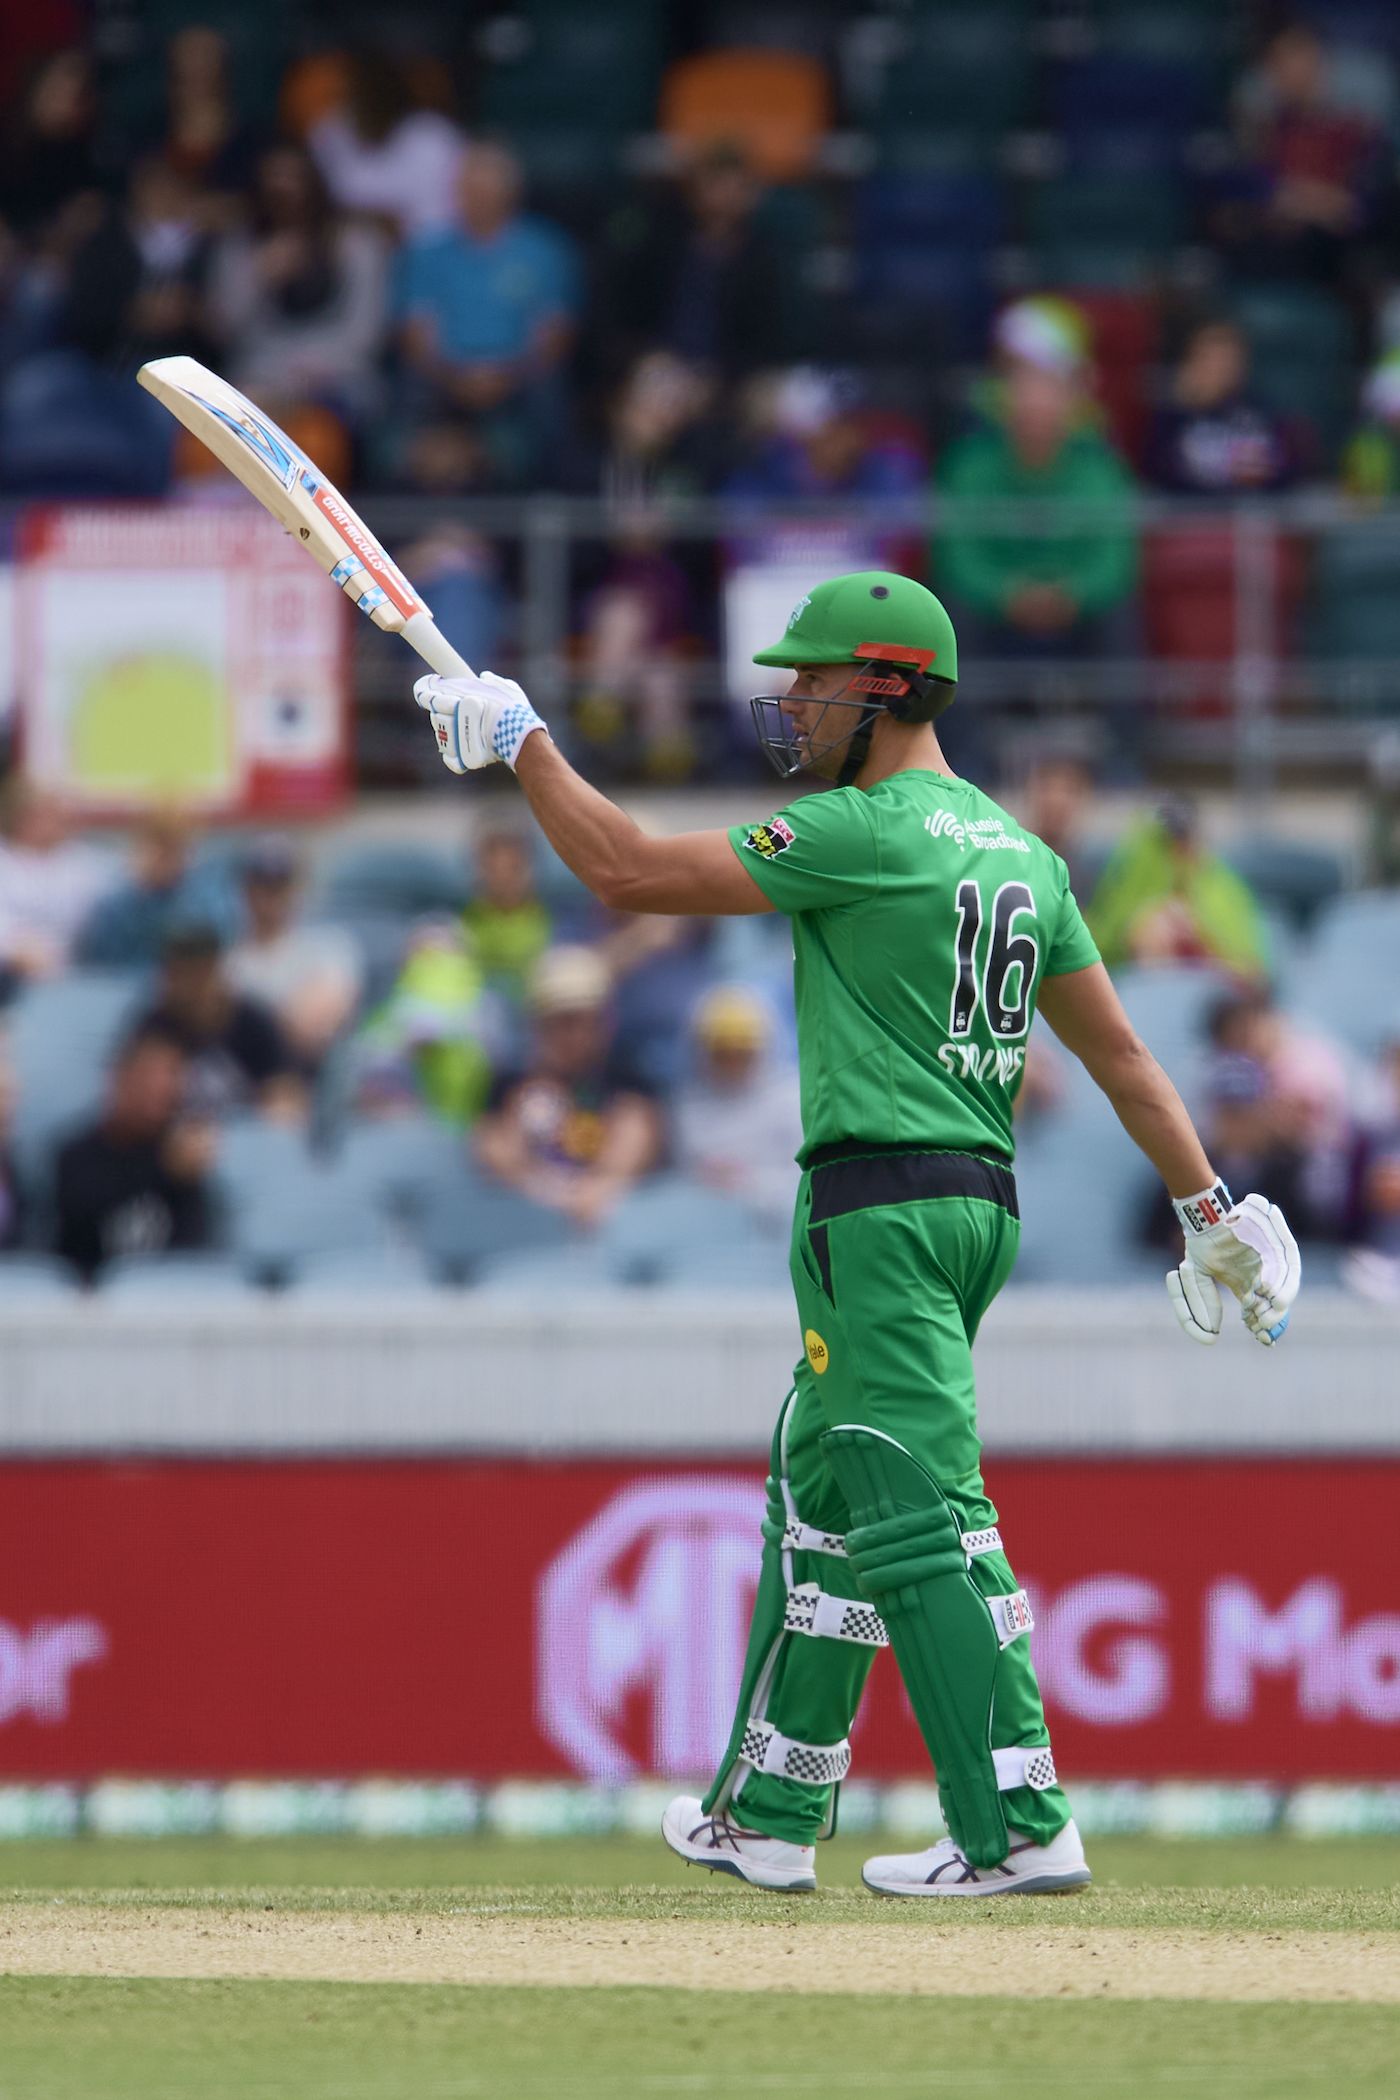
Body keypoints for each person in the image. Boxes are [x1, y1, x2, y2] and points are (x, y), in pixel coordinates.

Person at [413, 567, 1300, 1898]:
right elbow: (1124, 1062)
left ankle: (1017, 1823)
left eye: (814, 682)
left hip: (875, 1212)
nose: (793, 703)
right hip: (975, 1209)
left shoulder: (859, 827)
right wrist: (1209, 1212)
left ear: (881, 689)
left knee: (927, 1513)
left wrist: (522, 740)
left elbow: (626, 869)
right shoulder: (1019, 848)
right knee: (821, 1490)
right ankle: (770, 1810)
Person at [935, 300, 1139, 664]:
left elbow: (1114, 560)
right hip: (997, 607)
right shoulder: (970, 465)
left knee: (1121, 611)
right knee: (952, 611)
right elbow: (958, 558)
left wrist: (1072, 594)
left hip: (1075, 608)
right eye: (1027, 407)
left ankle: (1127, 722)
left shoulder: (1100, 468)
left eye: (1046, 406)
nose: (1036, 416)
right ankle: (959, 722)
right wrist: (1007, 594)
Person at [392, 143, 580, 483]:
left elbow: (554, 336)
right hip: (443, 378)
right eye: (467, 190)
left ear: (510, 194)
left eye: (485, 191)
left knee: (551, 395)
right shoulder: (428, 251)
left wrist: (503, 377)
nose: (474, 199)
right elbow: (415, 334)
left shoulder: (546, 250)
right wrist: (455, 377)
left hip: (518, 378)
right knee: (404, 392)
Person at [474, 944, 661, 1230]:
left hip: (609, 1226)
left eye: (587, 1021)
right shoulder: (509, 1086)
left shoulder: (629, 1086)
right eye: (562, 1022)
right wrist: (547, 1191)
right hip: (526, 1224)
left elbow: (632, 1149)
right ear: (538, 1024)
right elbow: (496, 1151)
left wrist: (595, 1189)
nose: (576, 1035)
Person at [207, 142, 389, 422]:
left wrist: (307, 375)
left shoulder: (356, 243)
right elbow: (223, 331)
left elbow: (366, 334)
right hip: (259, 378)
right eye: (274, 181)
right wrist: (257, 276)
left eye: (295, 179)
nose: (286, 192)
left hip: (338, 377)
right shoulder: (240, 245)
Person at [52, 1025, 216, 1281]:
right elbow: (81, 1224)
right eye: (150, 1076)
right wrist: (164, 1172)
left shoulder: (182, 1156)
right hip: (90, 1302)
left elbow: (193, 1250)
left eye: (172, 1075)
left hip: (172, 1299)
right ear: (119, 1079)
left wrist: (184, 1180)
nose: (162, 1087)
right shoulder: (76, 1154)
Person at [1086, 799, 1272, 980]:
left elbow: (1252, 971)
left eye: (1184, 840)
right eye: (1167, 844)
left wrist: (1199, 942)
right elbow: (1099, 949)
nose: (1178, 852)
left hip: (1215, 996)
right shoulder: (1134, 877)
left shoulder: (1222, 887)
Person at [137, 923, 305, 1123]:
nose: (184, 984)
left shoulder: (253, 1023)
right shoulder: (156, 1026)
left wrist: (272, 1112)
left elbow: (286, 1095)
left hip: (245, 1144)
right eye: (175, 973)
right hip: (173, 1145)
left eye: (195, 972)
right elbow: (136, 1104)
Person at [225, 836, 364, 1073]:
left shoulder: (328, 945)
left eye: (279, 884)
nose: (269, 895)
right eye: (261, 883)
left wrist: (255, 1016)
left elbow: (312, 1030)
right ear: (245, 889)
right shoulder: (228, 958)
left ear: (296, 887)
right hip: (242, 1077)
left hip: (313, 1076)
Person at [673, 985, 801, 1229]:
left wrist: (748, 1182)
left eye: (741, 1052)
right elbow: (688, 1174)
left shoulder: (790, 1100)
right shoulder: (687, 1105)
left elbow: (801, 1180)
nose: (732, 1064)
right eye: (722, 1053)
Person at [1146, 318, 1300, 495]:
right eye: (1211, 358)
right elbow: (1158, 475)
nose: (1221, 367)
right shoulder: (1170, 417)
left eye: (1229, 358)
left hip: (1253, 514)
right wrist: (1190, 407)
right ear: (1190, 361)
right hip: (1191, 516)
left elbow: (1287, 472)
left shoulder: (1263, 412)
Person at [76, 812, 238, 968]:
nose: (165, 860)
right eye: (159, 850)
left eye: (174, 850)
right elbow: (98, 966)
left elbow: (215, 955)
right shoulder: (114, 906)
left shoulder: (205, 903)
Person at [0, 780, 113, 988]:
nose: (60, 820)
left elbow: (106, 918)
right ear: (21, 817)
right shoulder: (5, 860)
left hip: (74, 974)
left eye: (60, 813)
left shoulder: (86, 863)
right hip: (10, 974)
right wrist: (15, 947)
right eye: (47, 813)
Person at [462, 825, 553, 1006]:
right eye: (492, 868)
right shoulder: (464, 922)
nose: (502, 878)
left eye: (513, 868)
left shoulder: (549, 920)